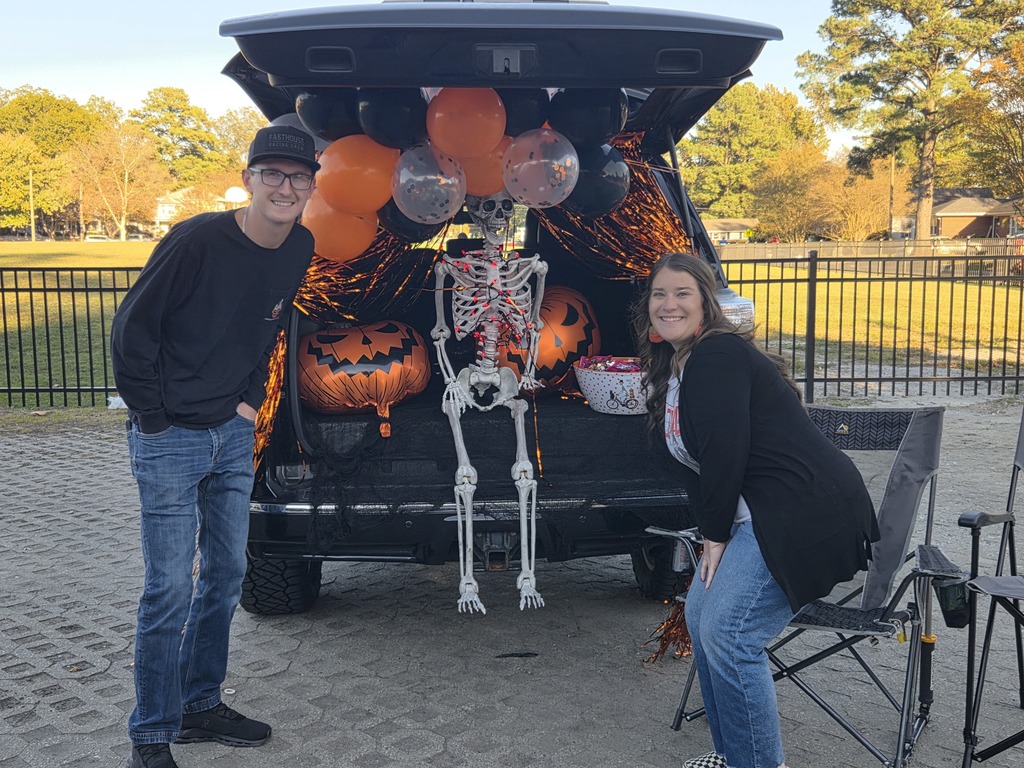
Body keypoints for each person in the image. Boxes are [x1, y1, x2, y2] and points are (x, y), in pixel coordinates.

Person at [111, 125, 320, 768]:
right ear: (249, 179)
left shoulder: (300, 245)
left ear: (312, 187)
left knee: (226, 576)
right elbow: (132, 329)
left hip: (231, 435)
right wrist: (153, 418)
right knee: (169, 589)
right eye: (272, 174)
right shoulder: (198, 239)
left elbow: (269, 328)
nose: (285, 188)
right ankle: (151, 734)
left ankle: (200, 703)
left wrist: (249, 400)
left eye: (299, 177)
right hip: (169, 437)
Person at [633, 253, 879, 768]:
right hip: (756, 516)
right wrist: (714, 530)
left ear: (706, 304)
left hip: (802, 514)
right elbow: (695, 464)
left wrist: (714, 534)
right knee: (700, 617)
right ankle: (733, 755)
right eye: (659, 294)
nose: (669, 304)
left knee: (731, 632)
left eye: (682, 293)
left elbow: (726, 451)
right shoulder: (674, 367)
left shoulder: (716, 354)